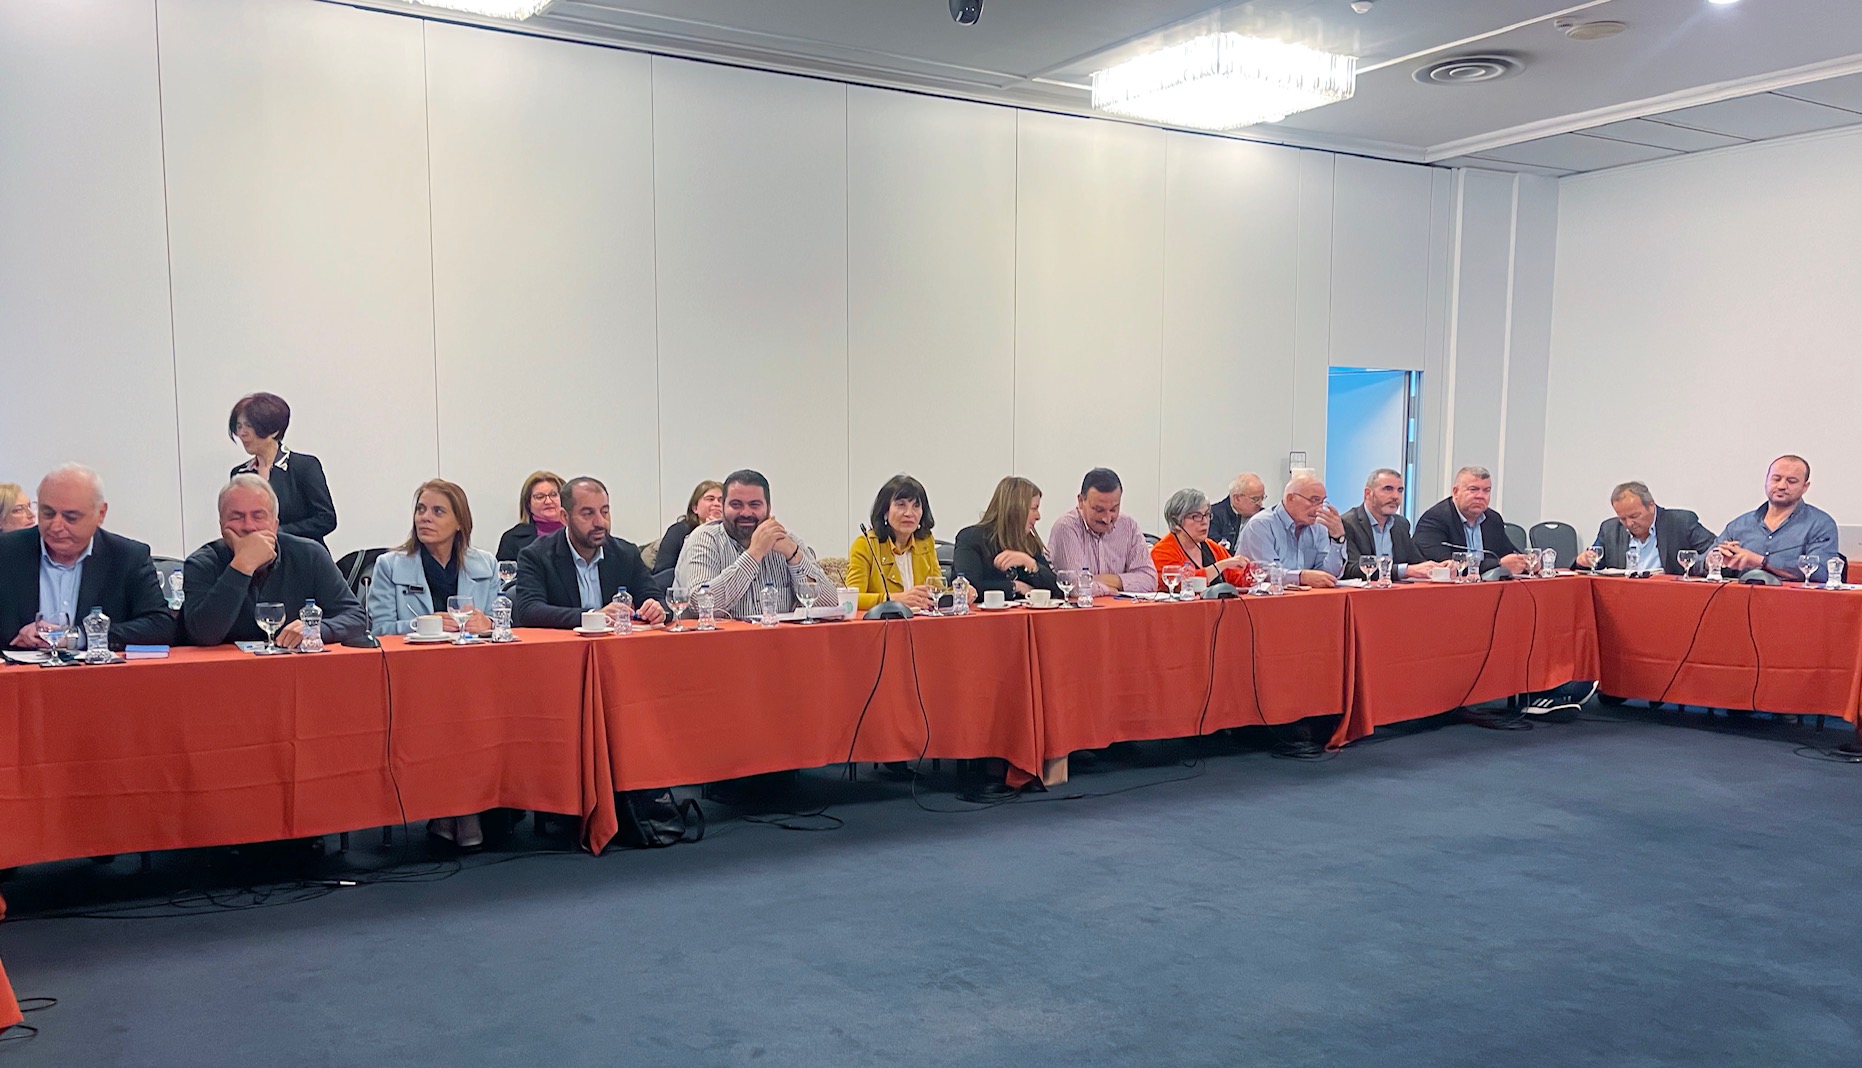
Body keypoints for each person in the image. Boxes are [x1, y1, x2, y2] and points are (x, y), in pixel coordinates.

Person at [0, 464, 173, 650]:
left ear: (100, 514)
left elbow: (161, 625)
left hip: (96, 668)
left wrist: (79, 636)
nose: (56, 526)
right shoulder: (6, 552)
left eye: (71, 518)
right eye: (48, 513)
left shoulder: (127, 557)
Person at [182, 474, 366, 647]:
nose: (249, 526)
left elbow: (357, 618)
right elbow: (203, 634)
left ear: (275, 524)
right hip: (227, 668)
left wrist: (314, 630)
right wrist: (243, 565)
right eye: (237, 517)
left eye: (258, 516)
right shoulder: (201, 564)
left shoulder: (310, 555)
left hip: (297, 666)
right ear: (222, 525)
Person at [674, 469, 835, 618]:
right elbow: (699, 604)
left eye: (754, 504)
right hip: (720, 640)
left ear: (768, 508)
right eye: (736, 504)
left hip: (779, 638)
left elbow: (831, 605)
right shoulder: (704, 538)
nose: (745, 513)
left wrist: (794, 555)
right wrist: (755, 553)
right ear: (723, 508)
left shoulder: (787, 540)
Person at [514, 477, 666, 628]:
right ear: (565, 517)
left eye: (604, 512)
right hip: (564, 642)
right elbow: (529, 610)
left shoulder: (626, 554)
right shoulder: (536, 556)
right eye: (588, 514)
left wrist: (656, 610)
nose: (600, 522)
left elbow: (658, 600)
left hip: (615, 642)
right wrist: (593, 616)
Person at [367, 480, 499, 637]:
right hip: (415, 652)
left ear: (459, 522)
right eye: (420, 509)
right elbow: (380, 631)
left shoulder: (487, 565)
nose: (425, 517)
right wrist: (422, 625)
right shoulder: (389, 566)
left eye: (438, 511)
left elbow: (503, 623)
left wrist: (489, 624)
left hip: (472, 651)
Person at [227, 392, 337, 547]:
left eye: (249, 426)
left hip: (303, 555)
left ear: (273, 430)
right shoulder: (240, 474)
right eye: (239, 426)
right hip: (258, 557)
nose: (242, 433)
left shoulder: (304, 466)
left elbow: (326, 519)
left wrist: (278, 532)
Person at [1712, 455, 1840, 582]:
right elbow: (1702, 562)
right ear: (1766, 481)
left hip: (1793, 595)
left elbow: (1821, 572)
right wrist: (1712, 561)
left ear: (1805, 487)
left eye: (1791, 481)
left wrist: (1761, 562)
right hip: (1741, 594)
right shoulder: (1740, 525)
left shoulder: (1820, 524)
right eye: (1776, 479)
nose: (1781, 486)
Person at [1047, 468, 1158, 597]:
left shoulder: (1129, 526)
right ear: (1081, 501)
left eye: (1114, 509)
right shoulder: (1066, 528)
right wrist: (1111, 589)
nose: (1107, 518)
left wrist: (1104, 580)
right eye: (1099, 510)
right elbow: (1076, 587)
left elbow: (1150, 580)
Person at [952, 476, 1062, 601]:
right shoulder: (971, 539)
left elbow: (1057, 590)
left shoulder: (1028, 542)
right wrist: (1014, 587)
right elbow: (968, 589)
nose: (1038, 516)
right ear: (1016, 509)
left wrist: (1031, 564)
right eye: (1034, 508)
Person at [1574, 481, 1717, 575]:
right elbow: (1593, 562)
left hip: (1670, 597)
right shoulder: (1609, 529)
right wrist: (1583, 562)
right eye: (1623, 518)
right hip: (1623, 598)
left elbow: (1715, 551)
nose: (1629, 523)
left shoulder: (1681, 522)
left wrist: (1706, 562)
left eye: (1634, 516)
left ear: (1651, 505)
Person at [1413, 466, 1532, 574]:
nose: (1480, 496)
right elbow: (1448, 566)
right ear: (1455, 492)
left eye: (1486, 490)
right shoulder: (1434, 520)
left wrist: (1527, 563)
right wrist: (1498, 564)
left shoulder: (1492, 519)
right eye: (1473, 489)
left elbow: (1509, 553)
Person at [846, 475, 939, 612]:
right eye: (901, 505)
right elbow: (850, 600)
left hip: (921, 622)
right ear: (885, 511)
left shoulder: (925, 542)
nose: (909, 513)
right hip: (882, 623)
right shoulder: (866, 545)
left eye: (916, 506)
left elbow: (937, 590)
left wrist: (960, 592)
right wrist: (891, 599)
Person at [1236, 474, 1347, 588]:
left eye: (1322, 502)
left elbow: (1328, 575)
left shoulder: (1318, 527)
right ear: (1290, 498)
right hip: (1260, 597)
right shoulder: (1260, 525)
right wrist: (1301, 577)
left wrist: (1337, 538)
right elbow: (1264, 572)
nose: (1319, 508)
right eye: (1314, 500)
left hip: (1305, 597)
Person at [1341, 469, 1442, 581]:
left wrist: (1439, 568)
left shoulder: (1401, 524)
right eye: (1388, 489)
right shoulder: (1348, 524)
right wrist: (1404, 571)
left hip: (1396, 590)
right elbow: (1352, 569)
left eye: (1400, 490)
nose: (1395, 496)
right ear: (1368, 493)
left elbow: (1417, 563)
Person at [1151, 489, 1252, 589]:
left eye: (1207, 515)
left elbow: (1238, 579)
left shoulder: (1213, 548)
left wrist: (1251, 574)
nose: (1205, 522)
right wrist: (1222, 565)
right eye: (1196, 516)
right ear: (1176, 522)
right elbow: (1182, 584)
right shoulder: (1162, 551)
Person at [655, 480, 724, 575]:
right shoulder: (678, 531)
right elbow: (663, 571)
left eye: (721, 500)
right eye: (710, 499)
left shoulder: (733, 534)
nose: (717, 503)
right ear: (695, 508)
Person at [496, 471, 565, 562]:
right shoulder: (512, 539)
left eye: (553, 495)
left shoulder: (578, 532)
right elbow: (506, 570)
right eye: (540, 497)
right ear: (528, 504)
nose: (548, 501)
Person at [1209, 473, 1266, 551]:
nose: (1260, 504)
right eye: (1255, 499)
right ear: (1237, 498)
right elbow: (1214, 551)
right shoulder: (1213, 516)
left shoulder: (1263, 517)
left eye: (1262, 498)